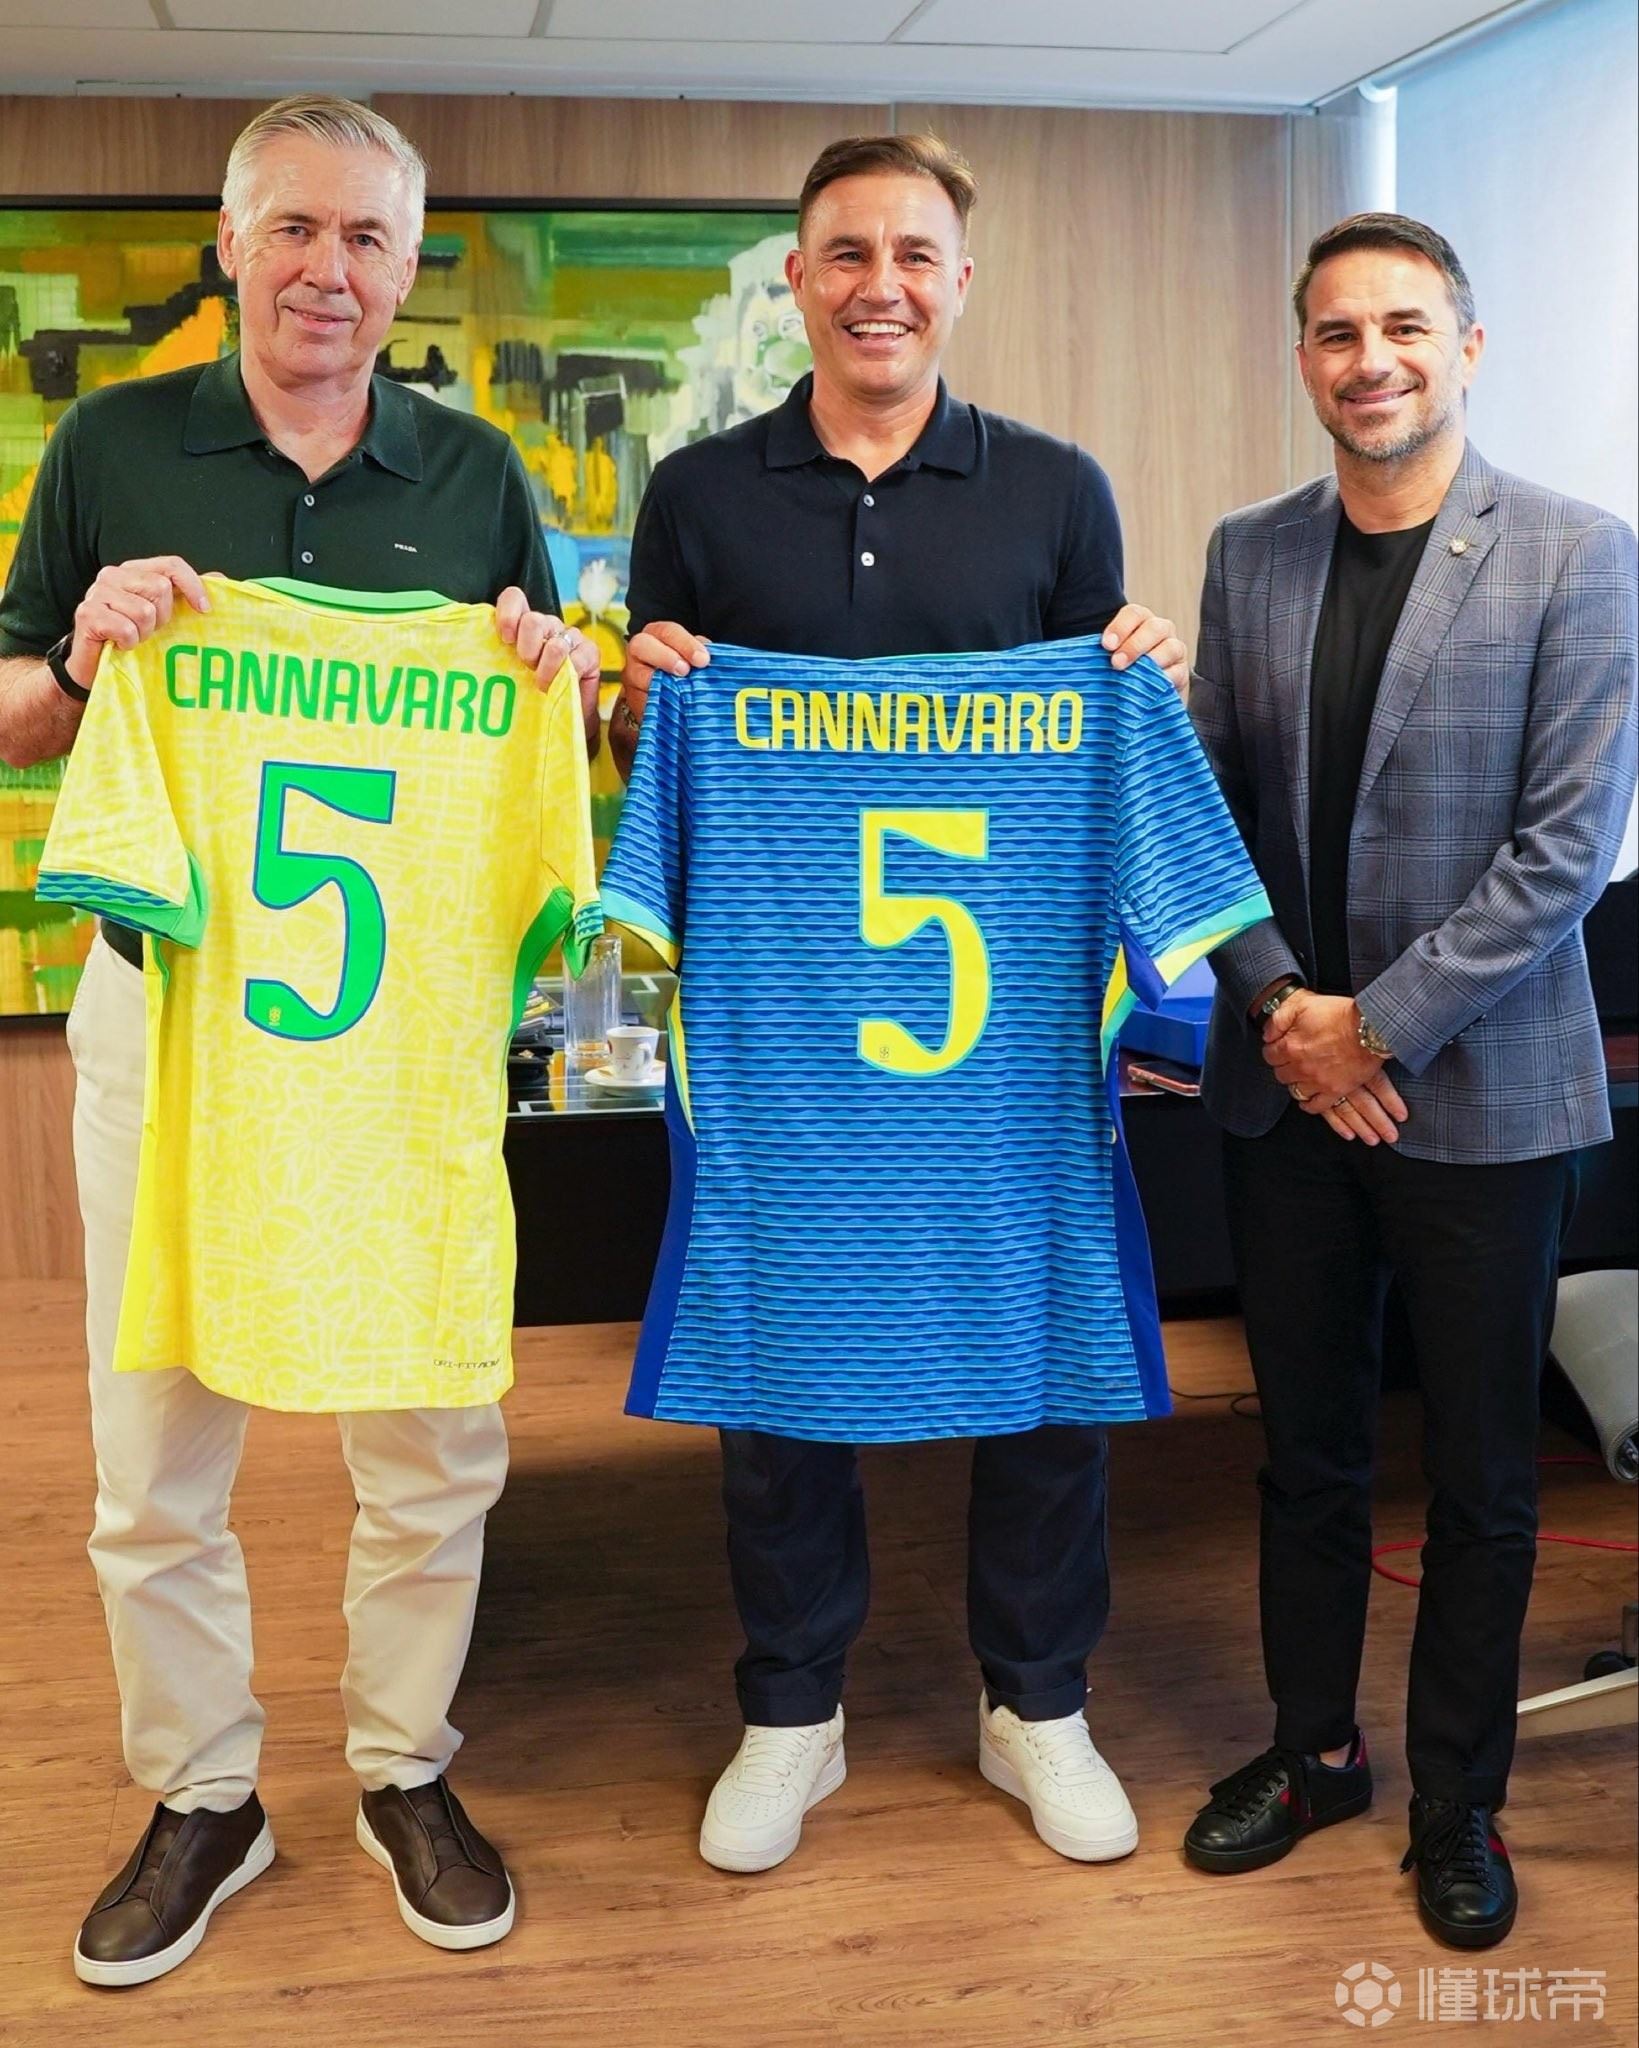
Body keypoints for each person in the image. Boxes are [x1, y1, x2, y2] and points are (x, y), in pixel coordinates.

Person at [0, 95, 601, 1984]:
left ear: (405, 271)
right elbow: (11, 707)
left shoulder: (476, 471)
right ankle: (204, 1795)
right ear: (232, 245)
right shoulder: (110, 446)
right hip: (170, 1012)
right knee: (154, 1436)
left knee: (431, 1424)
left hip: (400, 1035)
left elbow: (547, 714)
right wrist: (85, 656)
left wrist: (560, 676)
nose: (328, 270)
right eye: (294, 230)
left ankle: (406, 1765)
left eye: (367, 239)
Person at [608, 132, 1190, 1876]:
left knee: (1047, 1358)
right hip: (782, 1035)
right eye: (847, 254)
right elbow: (651, 764)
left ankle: (1040, 1704)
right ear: (796, 279)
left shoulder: (1058, 490)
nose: (882, 286)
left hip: (1006, 1042)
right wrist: (641, 694)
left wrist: (1140, 670)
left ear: (960, 281)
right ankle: (794, 1711)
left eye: (915, 255)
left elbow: (1099, 746)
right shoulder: (698, 495)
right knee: (776, 1357)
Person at [1184, 212, 1637, 1947]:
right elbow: (1206, 811)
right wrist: (1286, 1012)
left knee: (1482, 1480)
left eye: (1402, 328)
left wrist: (1371, 1029)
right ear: (1304, 358)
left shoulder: (1578, 553)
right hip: (1285, 1089)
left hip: (1485, 1094)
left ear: (1466, 347)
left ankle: (1460, 1800)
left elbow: (1562, 854)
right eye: (1336, 332)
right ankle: (1313, 1753)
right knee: (1305, 1454)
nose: (1368, 360)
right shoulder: (1249, 553)